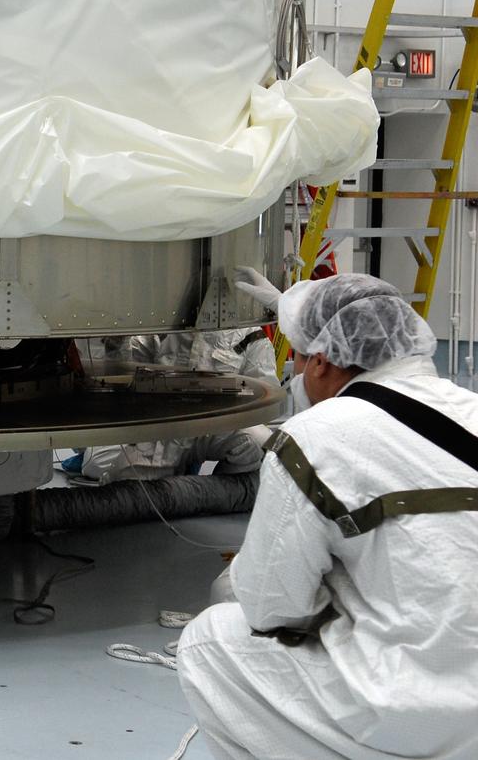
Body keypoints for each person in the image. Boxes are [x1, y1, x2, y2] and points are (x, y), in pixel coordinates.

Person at [178, 272, 478, 760]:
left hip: (414, 709)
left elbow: (274, 608)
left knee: (209, 640)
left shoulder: (315, 435)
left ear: (319, 362)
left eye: (295, 360)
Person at [69, 328, 278, 482]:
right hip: (162, 427)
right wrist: (116, 343)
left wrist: (223, 394)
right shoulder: (161, 327)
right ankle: (175, 469)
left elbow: (264, 402)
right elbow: (124, 377)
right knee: (97, 463)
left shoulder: (250, 336)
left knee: (258, 442)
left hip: (212, 428)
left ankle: (214, 493)